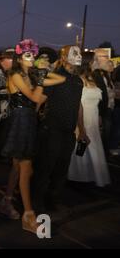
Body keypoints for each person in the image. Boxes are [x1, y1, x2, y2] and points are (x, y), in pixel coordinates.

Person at [0, 39, 65, 233]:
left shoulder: (32, 74)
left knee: (18, 167)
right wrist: (42, 80)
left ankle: (6, 201)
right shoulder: (15, 75)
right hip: (20, 121)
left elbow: (61, 79)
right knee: (26, 169)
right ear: (19, 58)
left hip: (28, 120)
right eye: (28, 55)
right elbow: (36, 97)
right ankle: (29, 216)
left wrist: (43, 70)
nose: (32, 58)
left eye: (33, 55)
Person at [32, 45, 86, 214]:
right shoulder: (55, 76)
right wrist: (30, 121)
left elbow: (78, 107)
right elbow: (40, 99)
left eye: (79, 53)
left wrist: (82, 130)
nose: (77, 56)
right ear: (64, 57)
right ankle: (37, 201)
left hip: (68, 132)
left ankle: (52, 198)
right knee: (45, 167)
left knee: (61, 168)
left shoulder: (78, 81)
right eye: (73, 53)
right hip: (52, 129)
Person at [68, 54, 110, 187]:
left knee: (94, 147)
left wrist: (99, 116)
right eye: (94, 60)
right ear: (89, 62)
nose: (96, 62)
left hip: (93, 118)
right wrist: (80, 127)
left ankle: (92, 175)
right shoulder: (77, 79)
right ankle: (78, 176)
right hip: (82, 118)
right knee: (81, 147)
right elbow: (77, 104)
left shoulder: (94, 77)